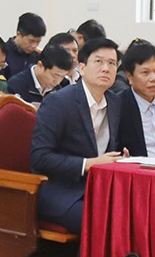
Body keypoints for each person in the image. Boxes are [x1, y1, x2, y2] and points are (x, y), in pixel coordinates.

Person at [30, 37, 127, 232]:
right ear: (81, 68)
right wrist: (88, 164)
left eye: (112, 63)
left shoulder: (115, 102)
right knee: (105, 221)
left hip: (100, 188)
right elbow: (39, 157)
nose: (106, 68)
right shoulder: (59, 102)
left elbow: (107, 150)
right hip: (62, 191)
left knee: (140, 212)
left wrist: (120, 158)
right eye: (98, 61)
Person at [5, 40, 74, 105]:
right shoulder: (16, 85)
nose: (57, 82)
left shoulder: (60, 89)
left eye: (62, 77)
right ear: (40, 65)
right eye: (55, 76)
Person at [2, 12, 47, 80]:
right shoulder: (2, 53)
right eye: (31, 41)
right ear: (19, 34)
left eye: (38, 42)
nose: (34, 46)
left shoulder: (38, 58)